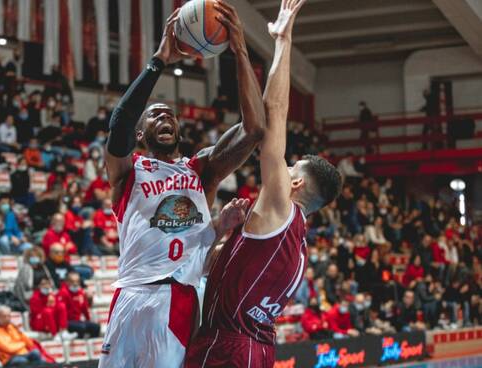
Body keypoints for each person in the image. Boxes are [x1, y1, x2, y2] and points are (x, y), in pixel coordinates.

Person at [99, 4, 268, 366]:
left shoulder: (200, 170)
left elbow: (254, 129)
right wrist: (158, 60)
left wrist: (239, 50)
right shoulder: (128, 170)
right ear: (142, 132)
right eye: (156, 114)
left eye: (171, 115)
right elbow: (120, 122)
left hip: (177, 299)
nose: (166, 118)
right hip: (128, 295)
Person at [185, 2, 343, 367]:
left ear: (297, 183)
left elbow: (275, 113)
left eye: (289, 167)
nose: (281, 167)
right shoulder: (296, 242)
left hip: (226, 347)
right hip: (257, 351)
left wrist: (283, 40)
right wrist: (223, 233)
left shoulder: (279, 206)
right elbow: (216, 270)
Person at [58, 271, 100, 338]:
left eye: (77, 281)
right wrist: (63, 327)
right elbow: (60, 312)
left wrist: (88, 320)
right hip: (67, 322)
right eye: (72, 281)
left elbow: (84, 308)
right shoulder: (63, 293)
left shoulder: (80, 292)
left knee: (96, 327)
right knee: (81, 328)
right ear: (67, 282)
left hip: (77, 321)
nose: (75, 284)